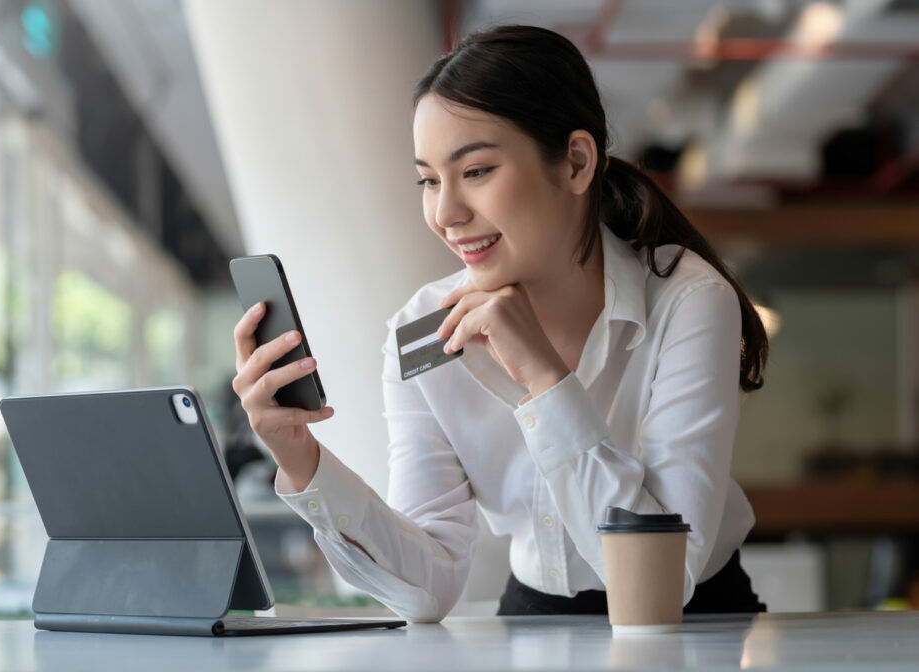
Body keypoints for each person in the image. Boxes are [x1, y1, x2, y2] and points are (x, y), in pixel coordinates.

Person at [230, 24, 769, 622]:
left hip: (694, 621)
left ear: (576, 162)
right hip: (534, 616)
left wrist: (544, 379)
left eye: (477, 171)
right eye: (429, 180)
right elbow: (427, 590)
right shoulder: (423, 330)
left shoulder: (688, 300)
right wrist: (302, 459)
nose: (445, 213)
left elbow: (667, 576)